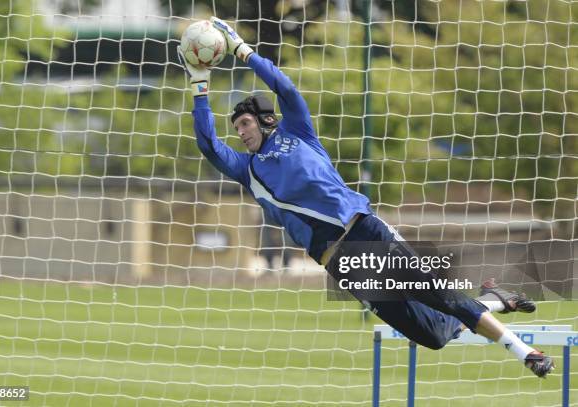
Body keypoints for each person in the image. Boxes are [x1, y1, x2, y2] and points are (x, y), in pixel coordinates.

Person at [177, 17, 554, 378]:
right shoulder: (248, 170)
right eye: (237, 127)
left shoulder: (298, 131)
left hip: (365, 232)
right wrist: (199, 81)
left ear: (266, 120)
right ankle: (491, 299)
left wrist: (243, 50)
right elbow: (209, 147)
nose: (241, 132)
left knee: (441, 296)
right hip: (341, 263)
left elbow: (286, 90)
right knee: (434, 335)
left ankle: (525, 352)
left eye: (244, 123)